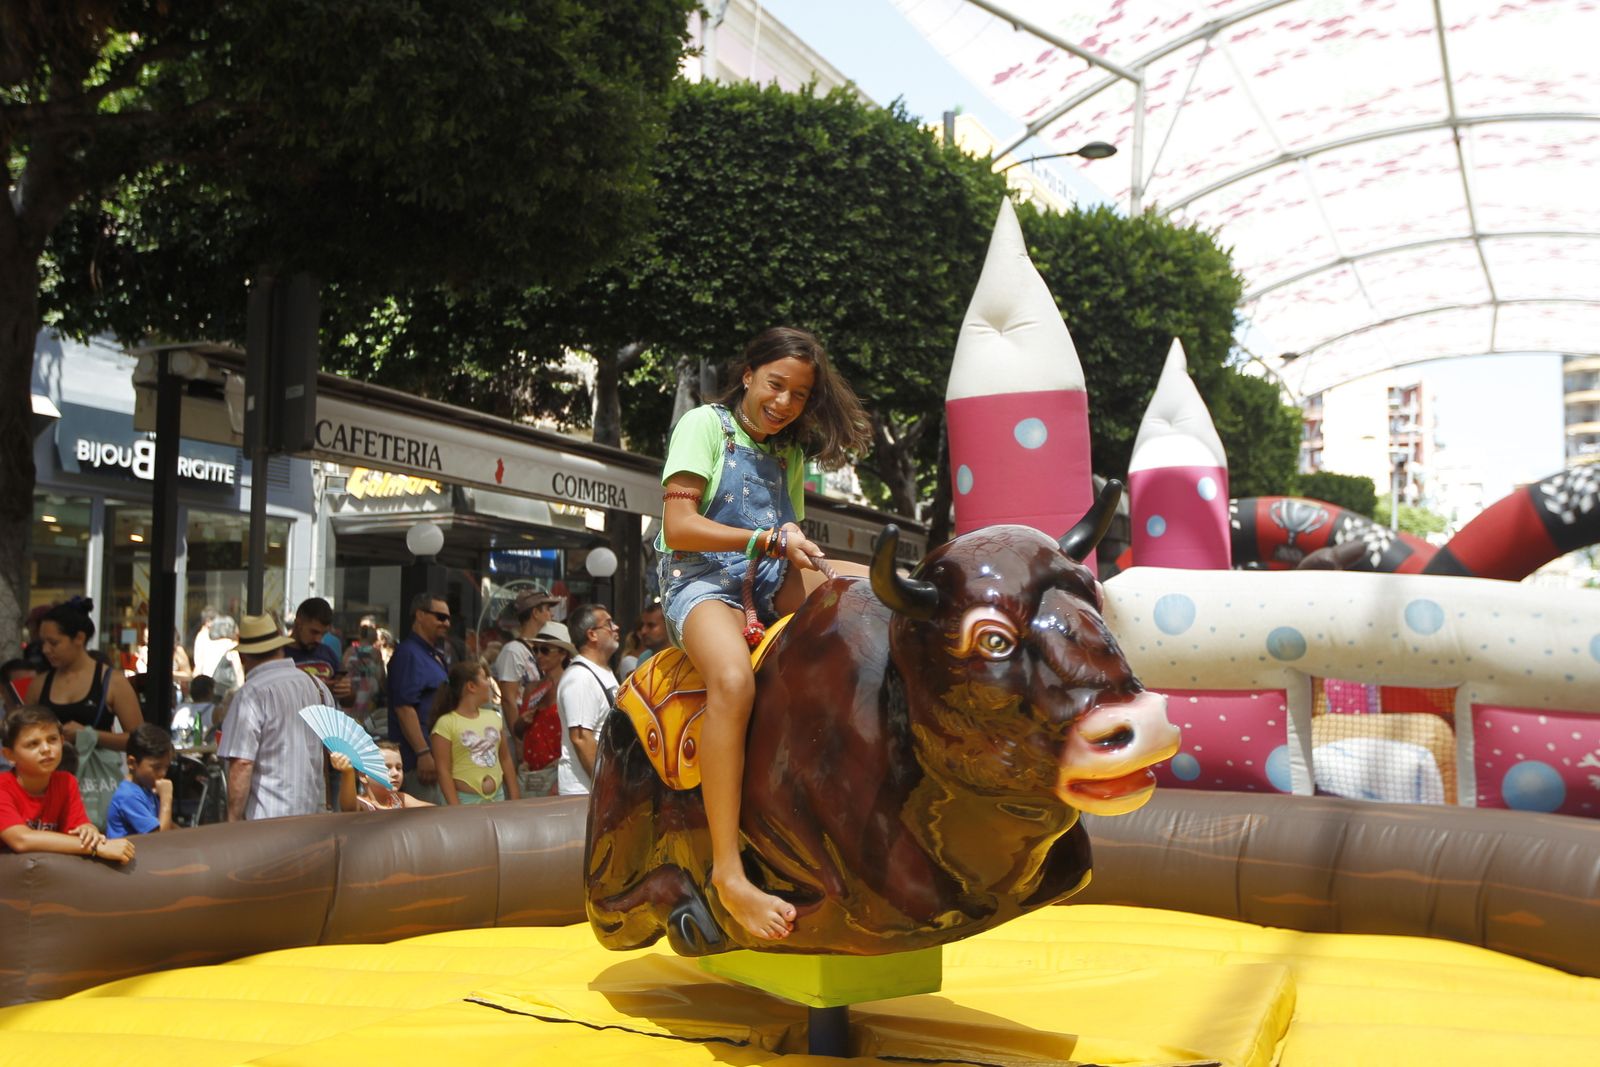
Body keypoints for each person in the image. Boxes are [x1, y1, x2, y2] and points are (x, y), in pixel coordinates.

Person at [657, 325, 872, 941]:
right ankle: (728, 871)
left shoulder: (790, 454)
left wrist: (819, 565)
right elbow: (678, 526)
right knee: (731, 680)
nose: (784, 403)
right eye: (776, 386)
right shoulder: (703, 425)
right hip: (701, 583)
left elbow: (790, 540)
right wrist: (765, 539)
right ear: (748, 373)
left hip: (769, 577)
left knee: (876, 592)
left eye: (799, 396)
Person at [219, 614, 334, 821]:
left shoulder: (250, 695)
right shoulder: (317, 686)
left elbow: (242, 763)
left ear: (243, 657)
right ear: (281, 649)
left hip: (267, 823)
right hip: (314, 818)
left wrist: (233, 821)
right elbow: (331, 750)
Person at [0, 706, 135, 862]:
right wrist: (95, 847)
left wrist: (89, 831)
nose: (46, 749)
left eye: (52, 739)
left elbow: (79, 829)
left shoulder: (66, 782)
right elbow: (21, 840)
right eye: (33, 744)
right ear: (9, 755)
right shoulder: (3, 787)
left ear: (62, 741)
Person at [24, 597, 144, 753]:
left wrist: (91, 735)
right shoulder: (39, 684)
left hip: (97, 774)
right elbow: (22, 732)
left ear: (79, 638)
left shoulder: (112, 681)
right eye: (43, 643)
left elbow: (141, 741)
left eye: (54, 643)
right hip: (50, 774)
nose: (46, 649)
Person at [386, 593, 452, 804]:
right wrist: (423, 753)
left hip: (436, 756)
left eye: (448, 618)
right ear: (420, 615)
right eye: (440, 617)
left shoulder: (433, 653)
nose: (447, 623)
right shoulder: (408, 653)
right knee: (427, 824)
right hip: (420, 763)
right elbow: (404, 708)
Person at [429, 661, 520, 805]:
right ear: (471, 686)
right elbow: (443, 771)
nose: (489, 683)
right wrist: (455, 807)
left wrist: (515, 797)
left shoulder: (493, 716)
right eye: (484, 678)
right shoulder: (446, 723)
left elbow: (505, 759)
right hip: (465, 801)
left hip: (498, 798)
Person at [555, 604, 620, 796]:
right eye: (608, 624)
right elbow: (581, 738)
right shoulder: (580, 678)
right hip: (585, 793)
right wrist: (607, 787)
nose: (616, 628)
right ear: (592, 634)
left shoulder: (602, 672)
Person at [512, 621, 575, 797]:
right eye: (536, 650)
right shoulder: (532, 689)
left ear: (563, 654)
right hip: (530, 773)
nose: (539, 656)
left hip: (558, 771)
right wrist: (522, 722)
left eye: (545, 650)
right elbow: (518, 732)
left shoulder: (571, 686)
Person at [493, 587, 560, 734]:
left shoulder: (541, 648)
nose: (551, 614)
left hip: (539, 732)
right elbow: (508, 699)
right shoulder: (513, 651)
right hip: (521, 733)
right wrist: (517, 739)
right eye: (547, 609)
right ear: (535, 613)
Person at [105, 723, 175, 837]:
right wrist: (166, 799)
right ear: (132, 763)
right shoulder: (128, 796)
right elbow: (160, 839)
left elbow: (168, 824)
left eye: (166, 767)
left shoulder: (146, 788)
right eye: (156, 768)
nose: (163, 773)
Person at [287, 597, 353, 706]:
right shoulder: (280, 655)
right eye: (314, 632)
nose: (319, 639)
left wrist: (346, 690)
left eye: (323, 634)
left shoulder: (328, 653)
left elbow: (348, 702)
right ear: (298, 623)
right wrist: (322, 689)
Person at [330, 742, 431, 811]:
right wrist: (348, 773)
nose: (396, 773)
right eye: (387, 768)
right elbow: (349, 808)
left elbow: (433, 810)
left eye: (399, 767)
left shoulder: (400, 799)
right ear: (363, 776)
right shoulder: (362, 804)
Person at [341, 616, 388, 735]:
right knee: (365, 721)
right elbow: (381, 675)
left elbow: (342, 670)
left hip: (351, 689)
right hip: (369, 689)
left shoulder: (350, 651)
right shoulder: (375, 653)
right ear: (373, 638)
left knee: (349, 719)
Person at [617, 602, 669, 676]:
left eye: (651, 625)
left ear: (668, 626)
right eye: (642, 625)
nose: (643, 631)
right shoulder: (644, 657)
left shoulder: (683, 655)